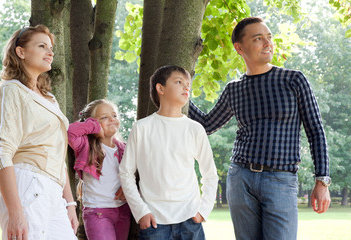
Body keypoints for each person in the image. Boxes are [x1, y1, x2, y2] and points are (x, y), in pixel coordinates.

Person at [188, 17, 331, 240]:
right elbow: (207, 124)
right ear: (239, 47)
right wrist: (181, 96)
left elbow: (315, 131)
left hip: (281, 180)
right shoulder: (234, 89)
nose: (267, 43)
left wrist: (322, 181)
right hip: (240, 178)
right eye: (258, 38)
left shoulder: (293, 80)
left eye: (269, 37)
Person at [0, 25, 78, 240]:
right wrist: (15, 211)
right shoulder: (10, 90)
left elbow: (59, 156)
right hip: (27, 184)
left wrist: (69, 202)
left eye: (51, 48)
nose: (50, 52)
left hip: (53, 192)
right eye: (42, 46)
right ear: (20, 52)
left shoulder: (50, 99)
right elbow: (1, 151)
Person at [119, 65, 219, 240]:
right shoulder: (141, 128)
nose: (186, 87)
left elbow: (210, 174)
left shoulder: (195, 129)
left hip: (190, 220)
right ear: (161, 88)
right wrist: (141, 212)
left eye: (188, 84)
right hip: (154, 221)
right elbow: (126, 172)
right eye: (179, 82)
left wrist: (203, 211)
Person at [67, 99, 131, 240]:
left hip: (123, 210)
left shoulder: (124, 149)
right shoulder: (85, 146)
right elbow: (70, 132)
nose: (112, 120)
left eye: (114, 116)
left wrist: (129, 189)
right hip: (98, 212)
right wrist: (95, 126)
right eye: (104, 117)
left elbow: (135, 174)